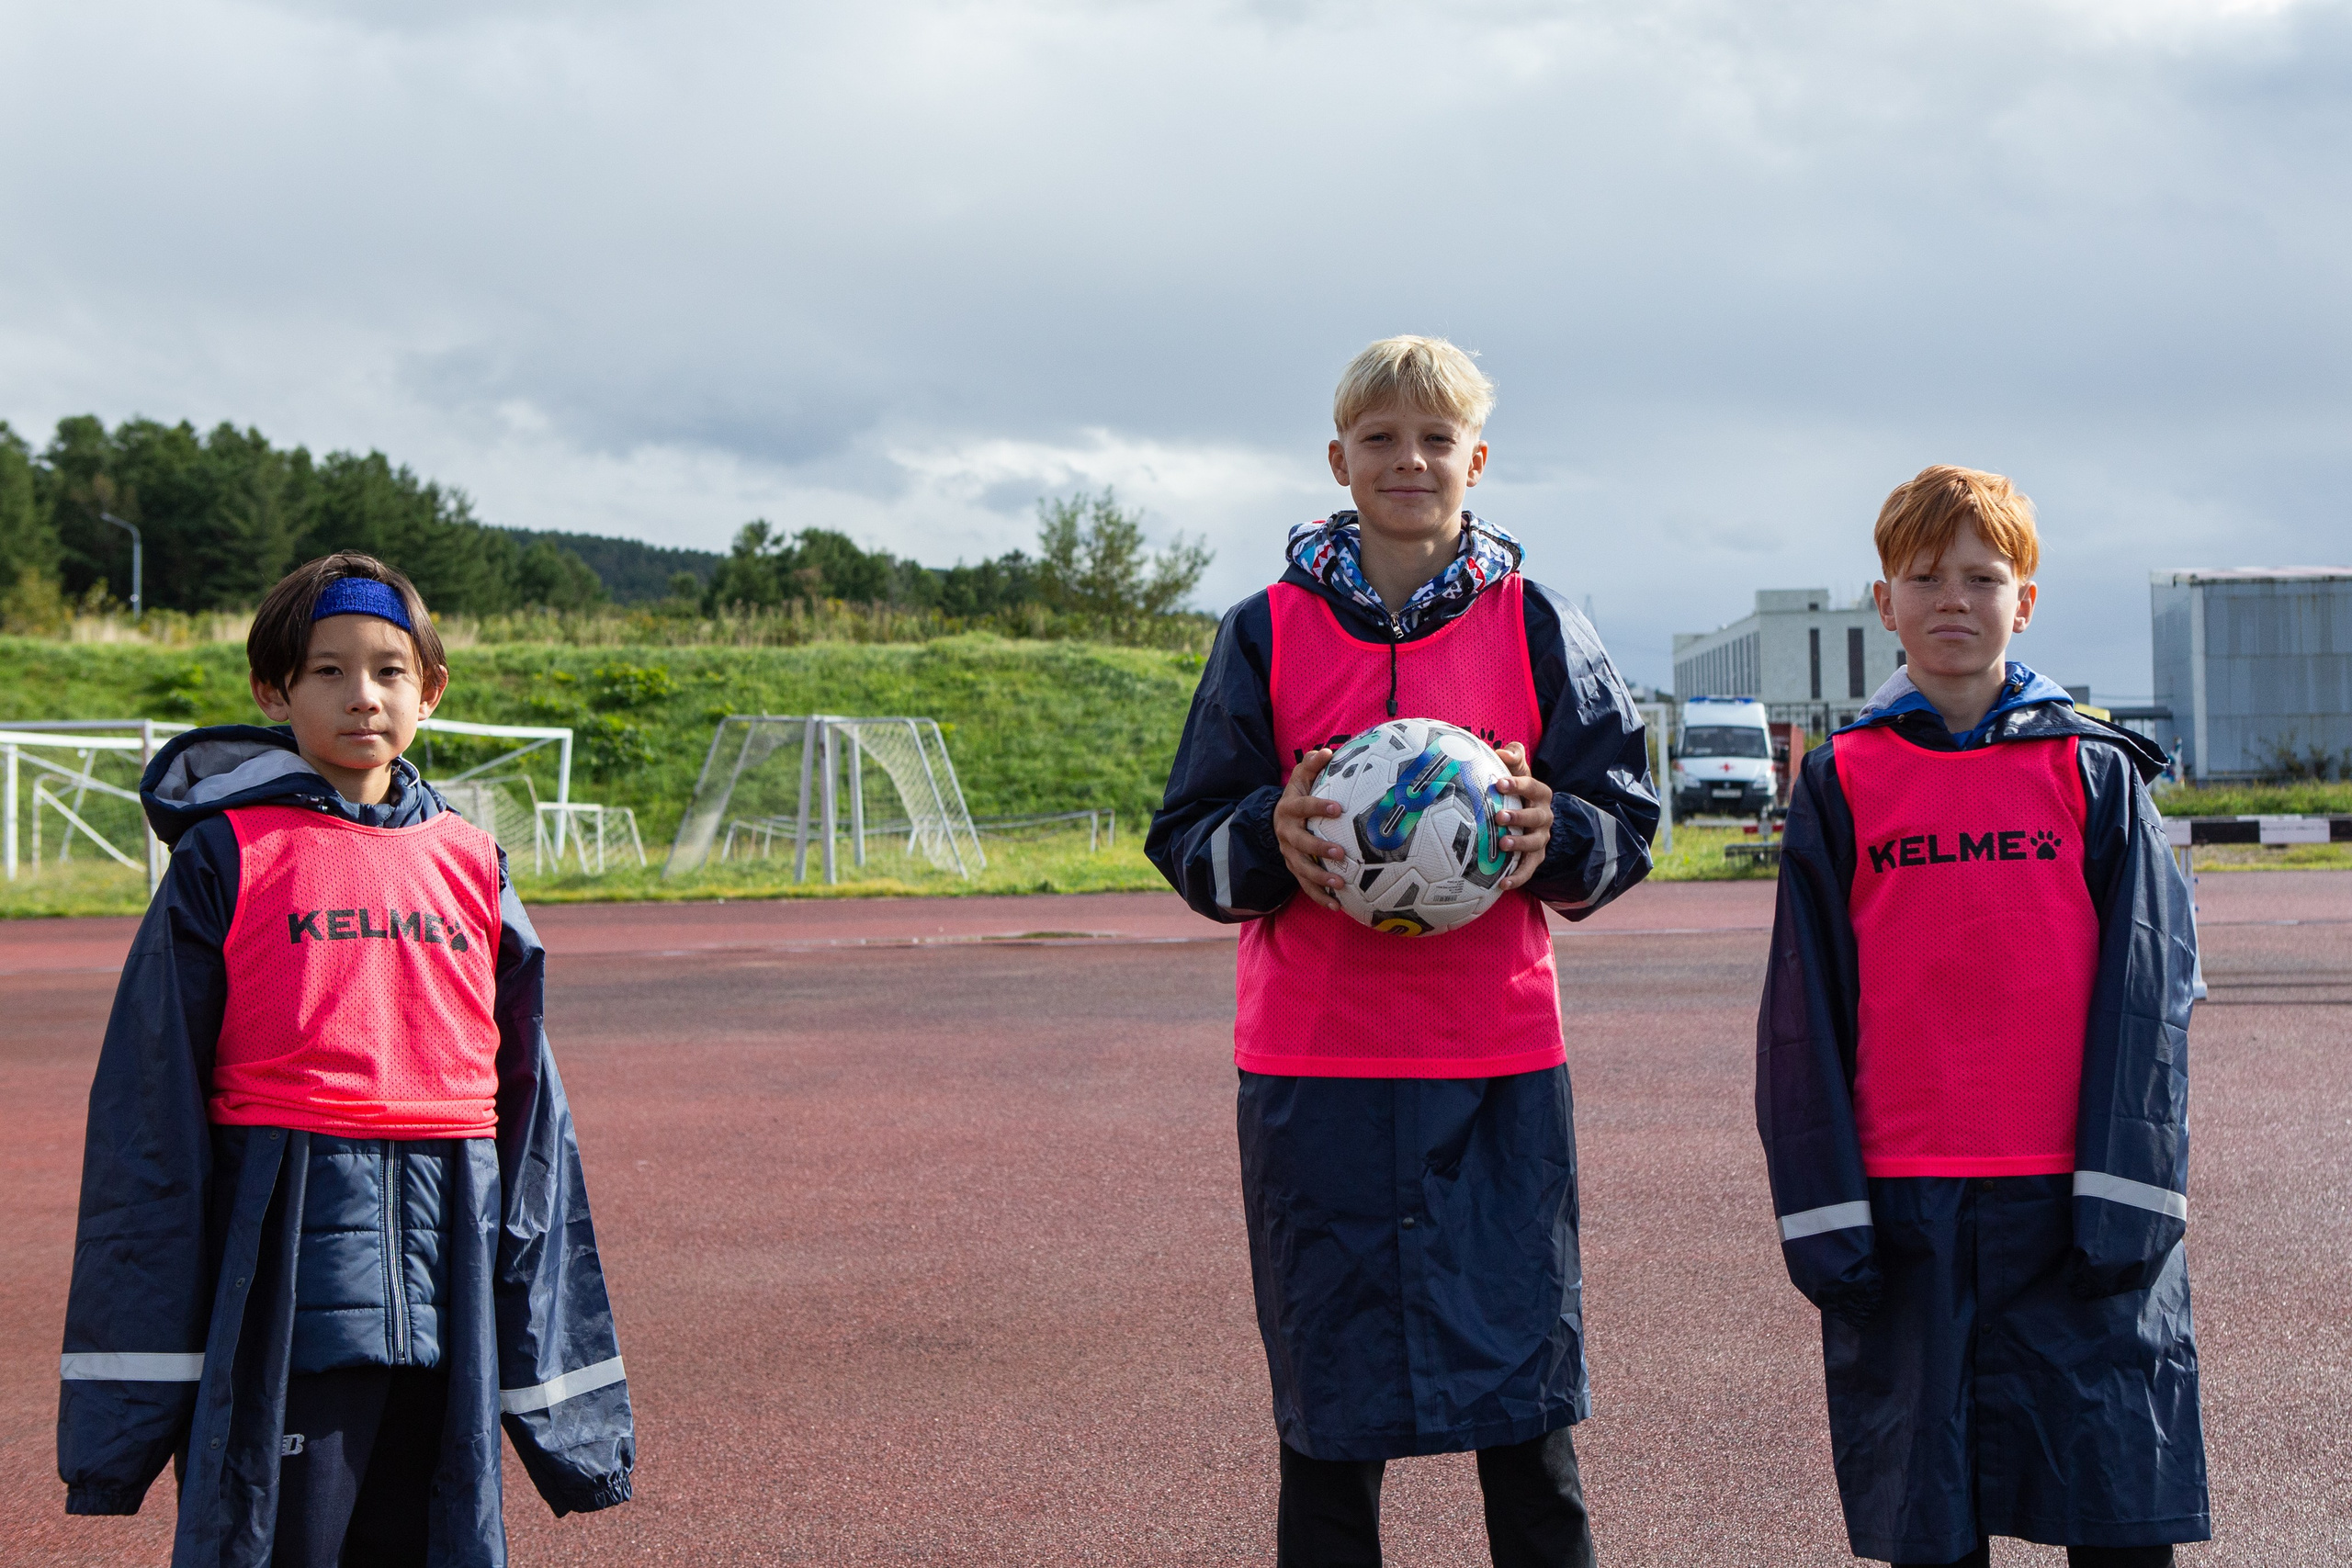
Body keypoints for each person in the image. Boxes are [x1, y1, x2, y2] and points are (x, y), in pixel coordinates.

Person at [1148, 336, 1658, 1568]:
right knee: (1328, 1420)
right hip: (1315, 1064)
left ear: (1475, 462)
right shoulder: (1263, 630)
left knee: (1529, 1411)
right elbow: (1188, 834)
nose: (1409, 460)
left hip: (1496, 1061)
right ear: (1339, 459)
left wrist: (1557, 830)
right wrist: (1268, 835)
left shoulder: (1537, 619)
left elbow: (1627, 818)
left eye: (1435, 440)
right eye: (1381, 438)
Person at [58, 553, 634, 1566]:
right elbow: (149, 1128)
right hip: (284, 1254)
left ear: (431, 689)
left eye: (389, 670)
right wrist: (120, 1431)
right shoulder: (224, 857)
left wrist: (572, 1425)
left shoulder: (472, 861)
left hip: (451, 1236)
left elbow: (533, 1123)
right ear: (272, 691)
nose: (362, 697)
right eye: (327, 672)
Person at [1756, 466, 2207, 1568]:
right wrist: (1824, 1210)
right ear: (1884, 602)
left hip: (2076, 1199)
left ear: (2026, 600)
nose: (1952, 599)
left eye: (1980, 576)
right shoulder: (1844, 780)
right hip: (1913, 1209)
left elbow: (2151, 997)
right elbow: (1798, 1016)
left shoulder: (2091, 768)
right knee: (1931, 1526)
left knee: (2114, 1516)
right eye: (1924, 577)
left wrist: (2132, 1194)